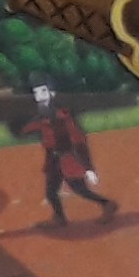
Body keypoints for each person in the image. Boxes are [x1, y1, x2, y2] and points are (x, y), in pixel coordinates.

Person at [34, 80, 111, 225]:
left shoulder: (63, 116)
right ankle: (59, 218)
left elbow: (78, 140)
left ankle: (107, 204)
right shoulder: (42, 113)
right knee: (51, 192)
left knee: (80, 189)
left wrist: (88, 168)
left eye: (43, 91)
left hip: (68, 159)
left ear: (52, 93)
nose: (39, 96)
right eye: (36, 92)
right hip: (54, 160)